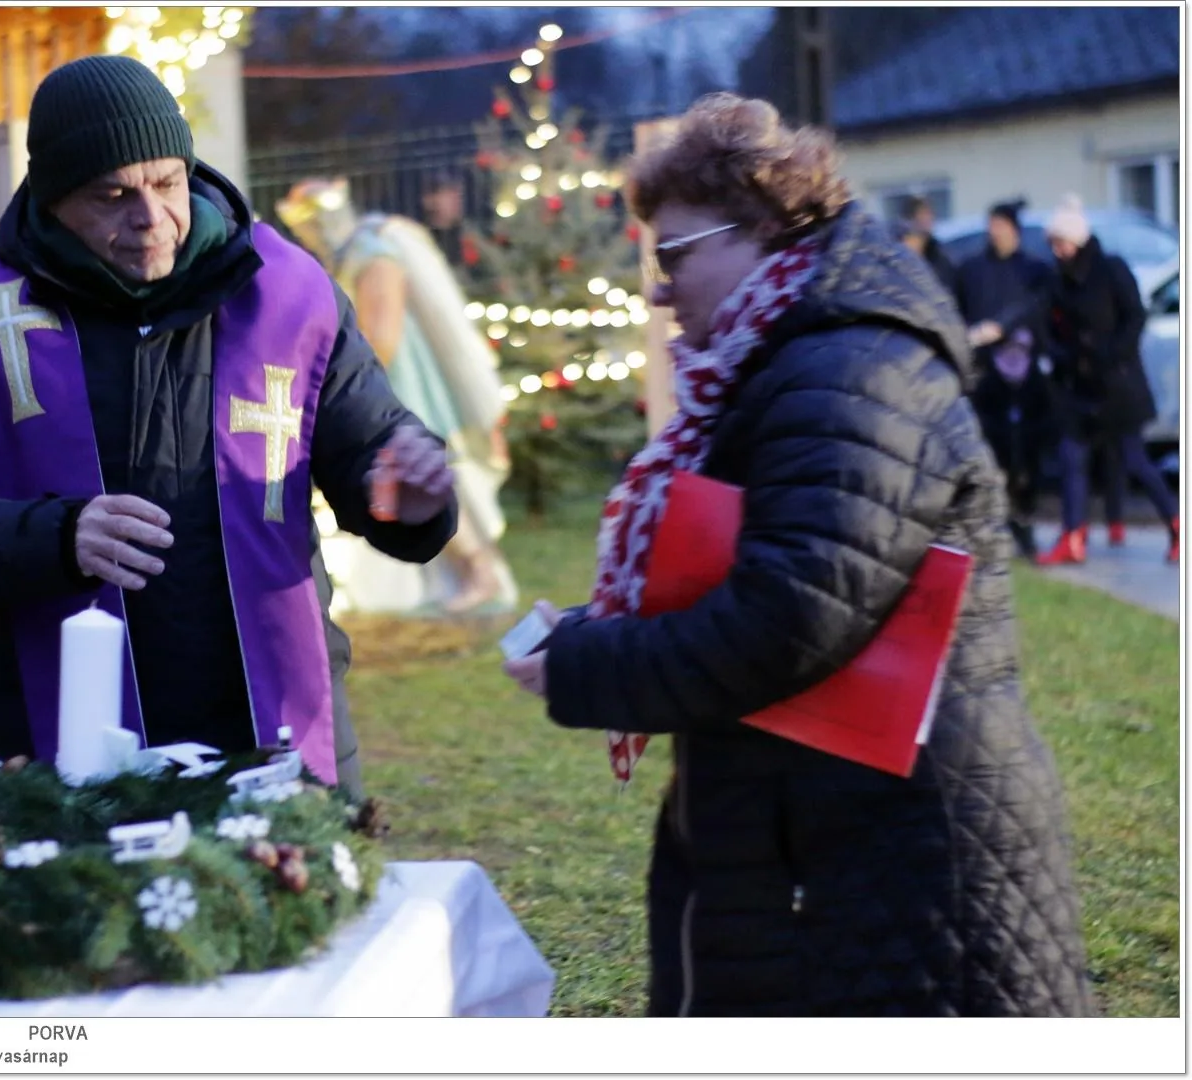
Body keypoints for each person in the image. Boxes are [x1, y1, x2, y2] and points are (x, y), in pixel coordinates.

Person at [501, 94, 1093, 1017]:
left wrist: (587, 663)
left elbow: (792, 613)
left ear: (765, 232)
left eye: (671, 256)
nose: (655, 289)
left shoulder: (848, 365)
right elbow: (751, 573)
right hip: (820, 833)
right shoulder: (784, 356)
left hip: (894, 860)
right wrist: (593, 630)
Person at [0, 56, 459, 797]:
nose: (150, 217)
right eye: (112, 196)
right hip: (59, 749)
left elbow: (373, 455)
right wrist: (56, 537)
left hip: (272, 727)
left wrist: (411, 496)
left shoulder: (290, 295)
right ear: (52, 200)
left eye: (167, 182)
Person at [277, 177, 517, 616]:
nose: (310, 235)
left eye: (313, 223)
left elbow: (379, 339)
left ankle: (479, 571)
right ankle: (455, 578)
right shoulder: (350, 256)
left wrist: (338, 375)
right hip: (376, 382)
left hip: (397, 384)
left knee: (422, 473)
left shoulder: (374, 255)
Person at [1036, 195, 1178, 565]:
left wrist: (1112, 354)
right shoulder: (1057, 280)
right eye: (1053, 242)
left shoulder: (1111, 269)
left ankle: (1177, 525)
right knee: (1072, 456)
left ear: (1078, 239)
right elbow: (1051, 326)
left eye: (1061, 241)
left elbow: (1135, 316)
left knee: (1136, 461)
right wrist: (1060, 356)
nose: (1057, 248)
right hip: (1080, 387)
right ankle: (1072, 535)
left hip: (1119, 385)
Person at [953, 199, 1055, 559]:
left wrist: (1004, 327)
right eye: (991, 226)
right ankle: (996, 524)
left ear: (1013, 229)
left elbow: (1039, 309)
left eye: (1001, 226)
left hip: (1028, 376)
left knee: (1026, 454)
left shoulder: (1035, 270)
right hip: (986, 376)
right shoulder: (972, 270)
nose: (995, 233)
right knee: (991, 450)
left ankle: (1024, 519)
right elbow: (959, 312)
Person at [898, 194, 957, 296]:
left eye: (929, 215)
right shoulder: (896, 259)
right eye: (921, 215)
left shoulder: (940, 256)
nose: (927, 220)